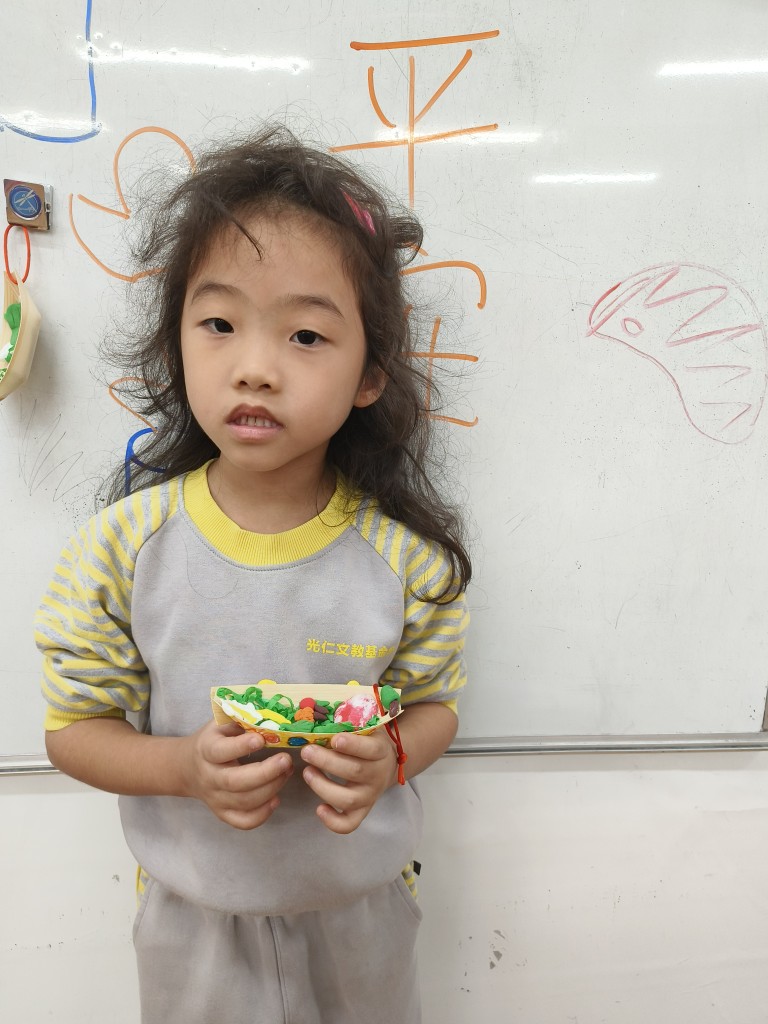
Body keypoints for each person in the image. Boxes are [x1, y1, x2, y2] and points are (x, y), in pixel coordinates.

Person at [35, 124, 471, 1024]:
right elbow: (75, 731)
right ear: (178, 342)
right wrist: (184, 768)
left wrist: (390, 757)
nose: (256, 369)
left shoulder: (406, 562)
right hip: (193, 920)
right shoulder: (119, 551)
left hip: (362, 916)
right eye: (220, 325)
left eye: (306, 334)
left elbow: (434, 707)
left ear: (369, 375)